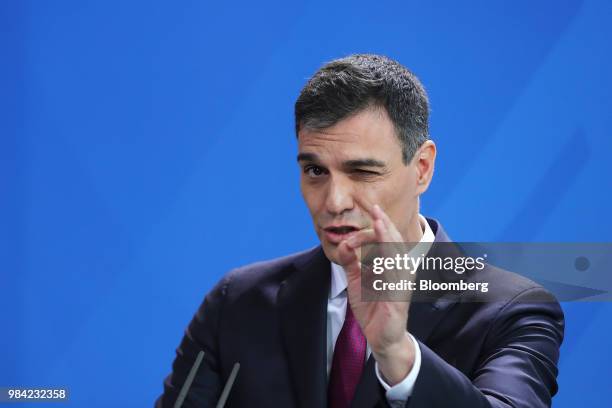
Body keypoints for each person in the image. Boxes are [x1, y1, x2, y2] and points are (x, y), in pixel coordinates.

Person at [156, 54, 564, 408]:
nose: (334, 201)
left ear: (421, 168)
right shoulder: (237, 302)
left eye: (362, 171)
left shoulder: (513, 310)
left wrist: (397, 352)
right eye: (315, 171)